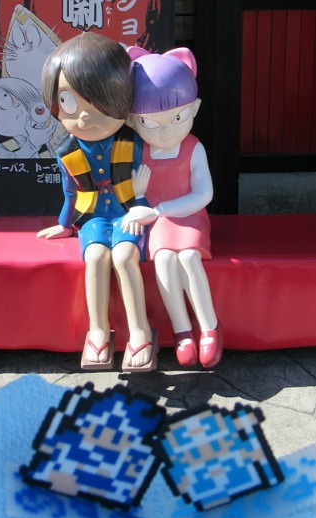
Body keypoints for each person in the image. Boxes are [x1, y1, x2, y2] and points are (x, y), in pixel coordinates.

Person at [37, 32, 157, 372]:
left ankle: (140, 331)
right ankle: (99, 331)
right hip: (92, 217)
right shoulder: (68, 152)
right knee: (96, 257)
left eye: (97, 101)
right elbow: (70, 192)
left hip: (129, 211)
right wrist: (64, 224)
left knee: (124, 256)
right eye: (69, 102)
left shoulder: (133, 141)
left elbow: (150, 182)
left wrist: (144, 203)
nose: (84, 116)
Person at [123, 47, 222, 368]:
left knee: (189, 257)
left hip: (189, 217)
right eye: (150, 122)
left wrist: (158, 209)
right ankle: (182, 331)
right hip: (159, 223)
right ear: (132, 120)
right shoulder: (138, 151)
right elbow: (134, 196)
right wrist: (138, 199)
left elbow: (204, 194)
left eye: (177, 118)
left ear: (194, 109)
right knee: (164, 260)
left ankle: (209, 327)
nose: (165, 130)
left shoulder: (194, 148)